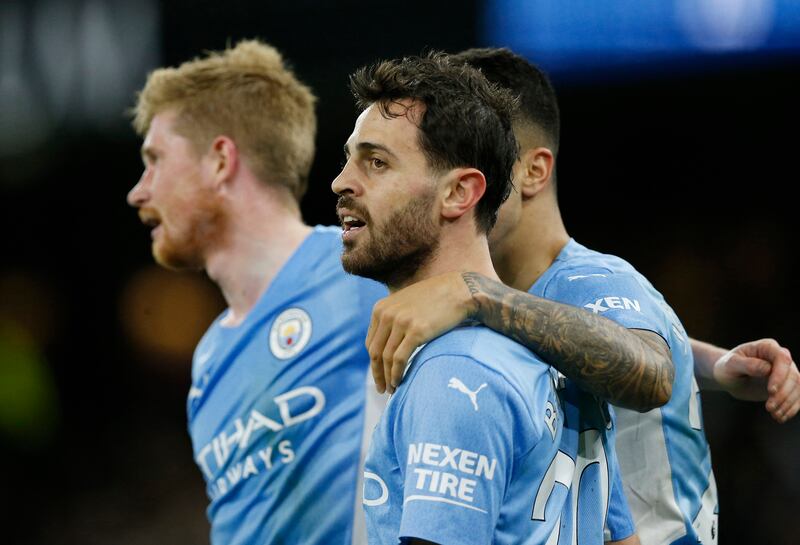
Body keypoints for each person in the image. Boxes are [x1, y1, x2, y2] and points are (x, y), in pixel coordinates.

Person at [362, 47, 800, 545]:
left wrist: (478, 295)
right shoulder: (533, 307)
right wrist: (709, 364)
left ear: (531, 170)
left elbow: (650, 373)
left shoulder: (588, 279)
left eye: (483, 160)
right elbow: (603, 337)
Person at [333, 52, 636, 545]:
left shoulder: (455, 373)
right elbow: (622, 538)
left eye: (376, 162)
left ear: (459, 193)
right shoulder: (546, 354)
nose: (342, 182)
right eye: (348, 159)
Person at [126, 40, 388, 545]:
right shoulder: (207, 363)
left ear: (220, 159)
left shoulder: (363, 274)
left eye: (155, 159)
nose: (139, 191)